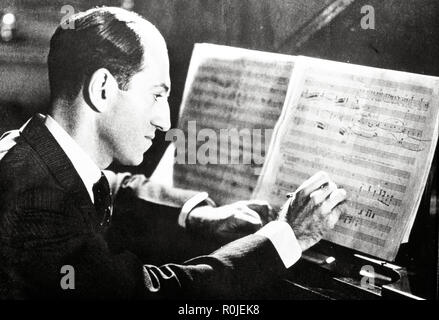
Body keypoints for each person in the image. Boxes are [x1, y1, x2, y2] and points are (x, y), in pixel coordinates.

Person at [0, 7, 346, 299]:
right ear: (103, 89)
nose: (165, 121)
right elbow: (157, 294)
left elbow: (112, 185)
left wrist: (197, 214)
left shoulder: (33, 153)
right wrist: (287, 235)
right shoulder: (38, 207)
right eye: (156, 95)